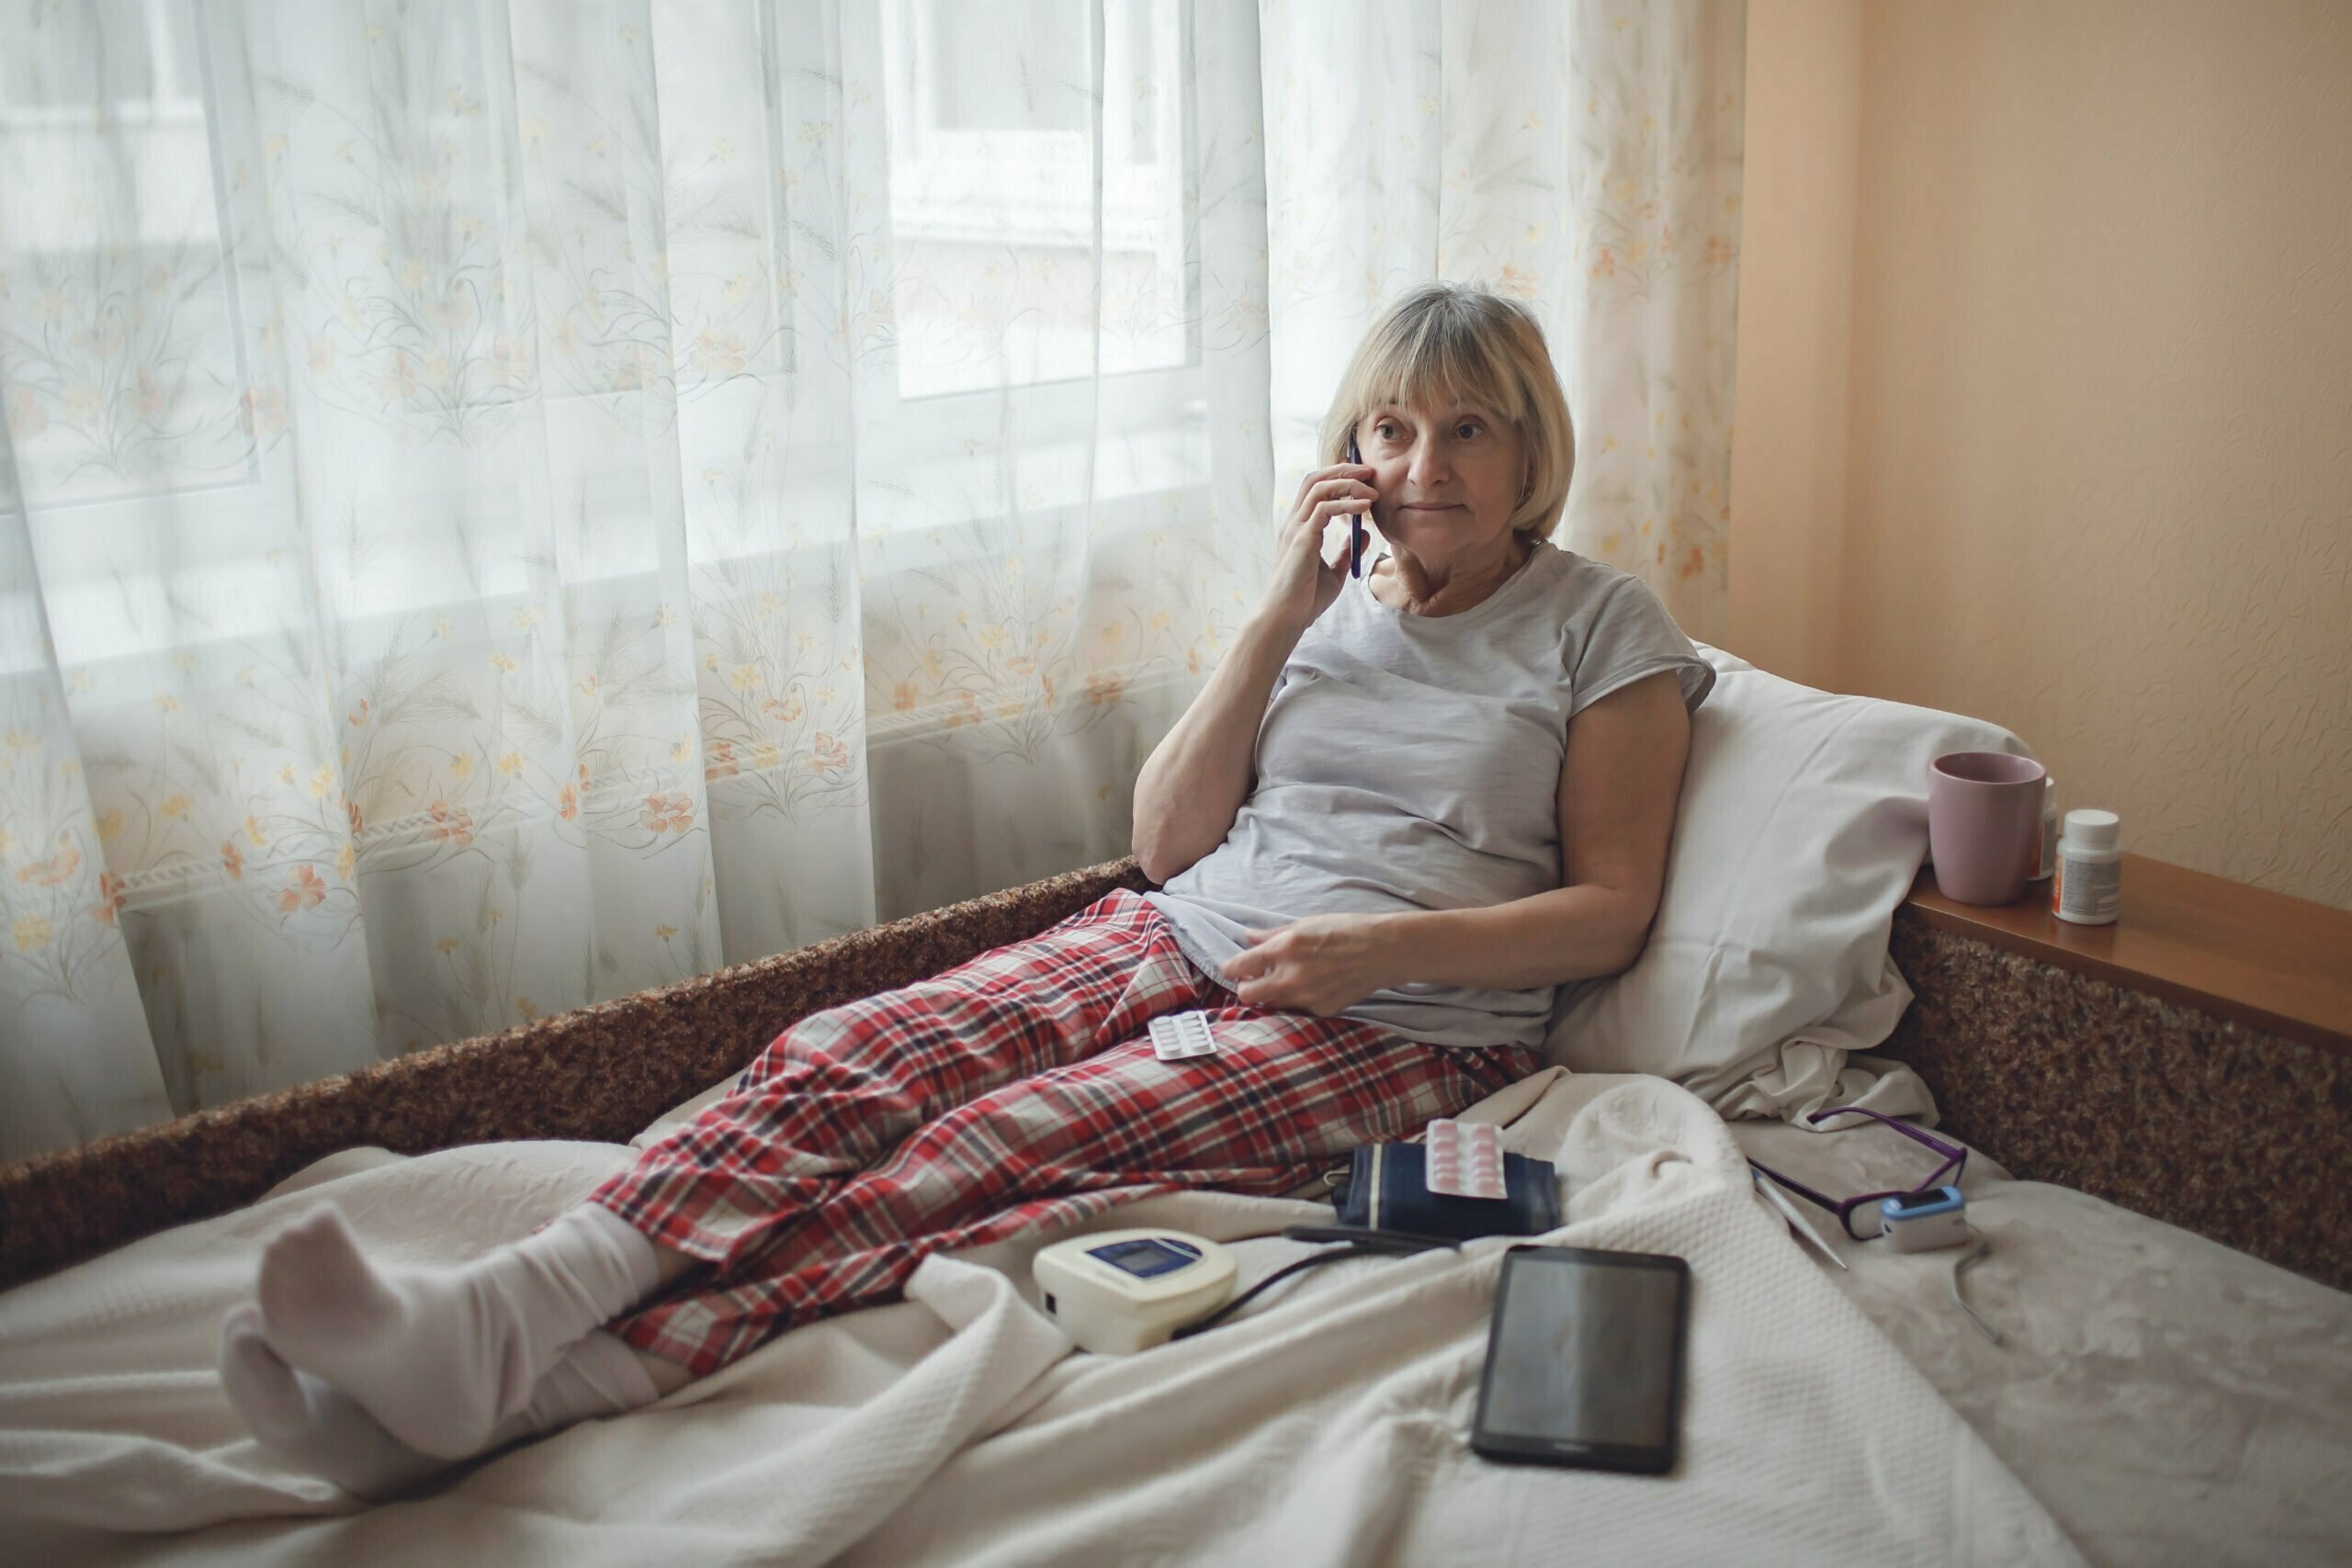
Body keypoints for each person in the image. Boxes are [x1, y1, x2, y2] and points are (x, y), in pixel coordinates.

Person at [216, 281, 1714, 1498]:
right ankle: (500, 1310)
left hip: (1402, 1024)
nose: (1422, 470)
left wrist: (1380, 951)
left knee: (985, 1149)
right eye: (1389, 430)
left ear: (1532, 455)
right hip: (1183, 933)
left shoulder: (1598, 627)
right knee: (856, 1056)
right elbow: (1163, 845)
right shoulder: (1326, 600)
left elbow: (1613, 908)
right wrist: (1276, 613)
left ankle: (535, 1395)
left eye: (1467, 432)